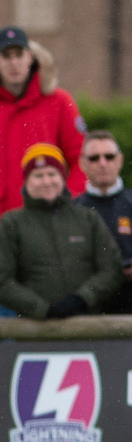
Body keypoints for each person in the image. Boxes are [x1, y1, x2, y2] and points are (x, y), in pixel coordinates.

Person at [0, 143, 121, 442]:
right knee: (44, 429)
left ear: (62, 178)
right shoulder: (12, 224)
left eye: (51, 174)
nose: (45, 181)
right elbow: (0, 280)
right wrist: (41, 309)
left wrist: (82, 299)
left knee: (87, 423)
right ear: (26, 182)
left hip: (85, 340)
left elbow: (110, 267)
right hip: (37, 345)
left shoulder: (87, 219)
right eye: (37, 175)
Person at [0, 26, 87, 315]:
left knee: (46, 320)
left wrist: (67, 201)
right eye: (6, 56)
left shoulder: (59, 102)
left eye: (19, 54)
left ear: (31, 57)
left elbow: (81, 160)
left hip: (47, 230)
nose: (13, 63)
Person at [74, 130, 132, 314]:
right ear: (82, 163)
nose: (102, 163)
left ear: (120, 160)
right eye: (94, 158)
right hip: (86, 309)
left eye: (109, 156)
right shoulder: (71, 211)